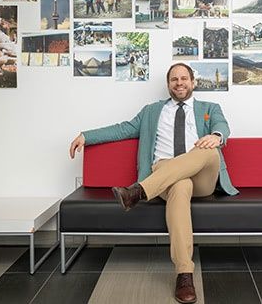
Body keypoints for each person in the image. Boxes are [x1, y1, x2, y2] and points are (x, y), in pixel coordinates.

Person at [69, 63, 238, 304]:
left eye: (183, 78)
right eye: (174, 79)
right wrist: (86, 136)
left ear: (193, 82)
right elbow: (123, 129)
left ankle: (138, 192)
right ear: (168, 85)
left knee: (210, 150)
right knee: (180, 186)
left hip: (202, 176)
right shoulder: (151, 111)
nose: (179, 83)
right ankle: (184, 273)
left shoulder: (210, 108)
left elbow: (223, 126)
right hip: (165, 173)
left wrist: (216, 136)